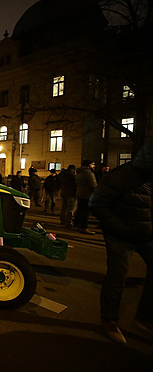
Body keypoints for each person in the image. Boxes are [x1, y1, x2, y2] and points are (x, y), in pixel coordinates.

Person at [90, 142, 153, 344]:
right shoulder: (121, 175)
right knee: (117, 278)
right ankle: (109, 321)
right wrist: (121, 229)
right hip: (121, 237)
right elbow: (97, 204)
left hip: (146, 235)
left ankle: (144, 317)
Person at [74, 160, 97, 234]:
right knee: (85, 212)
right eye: (93, 164)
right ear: (89, 165)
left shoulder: (79, 173)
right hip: (87, 194)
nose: (94, 166)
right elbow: (93, 185)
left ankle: (76, 225)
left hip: (79, 193)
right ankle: (84, 227)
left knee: (80, 210)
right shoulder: (89, 174)